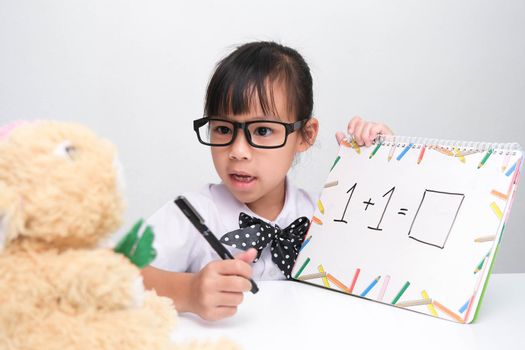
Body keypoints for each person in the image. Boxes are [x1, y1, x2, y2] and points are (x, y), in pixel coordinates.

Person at [141, 41, 392, 321]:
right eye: (223, 129)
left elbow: (381, 269)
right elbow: (120, 273)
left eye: (262, 130)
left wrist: (382, 164)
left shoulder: (321, 217)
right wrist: (188, 292)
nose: (238, 151)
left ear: (306, 135)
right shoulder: (193, 214)